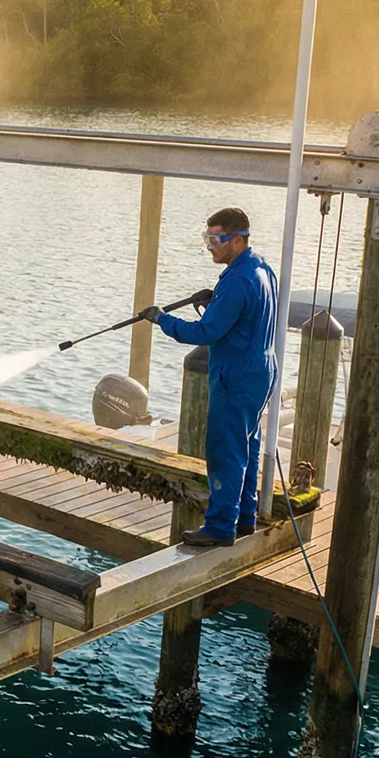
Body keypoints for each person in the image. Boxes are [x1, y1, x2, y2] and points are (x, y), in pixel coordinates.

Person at [141, 207, 278, 548]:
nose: (209, 246)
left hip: (236, 376)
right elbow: (242, 314)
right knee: (247, 444)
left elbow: (205, 331)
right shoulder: (260, 268)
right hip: (261, 371)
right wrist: (214, 299)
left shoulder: (238, 280)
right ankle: (244, 517)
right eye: (207, 238)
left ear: (237, 239)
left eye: (215, 240)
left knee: (225, 450)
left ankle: (219, 527)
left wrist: (161, 320)